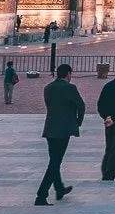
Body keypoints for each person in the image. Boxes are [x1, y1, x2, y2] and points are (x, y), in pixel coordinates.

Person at [35, 64, 85, 205]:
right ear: (68, 74)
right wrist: (77, 122)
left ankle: (59, 188)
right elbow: (81, 105)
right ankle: (41, 195)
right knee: (55, 163)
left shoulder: (48, 88)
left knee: (54, 160)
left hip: (50, 128)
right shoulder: (70, 88)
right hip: (64, 130)